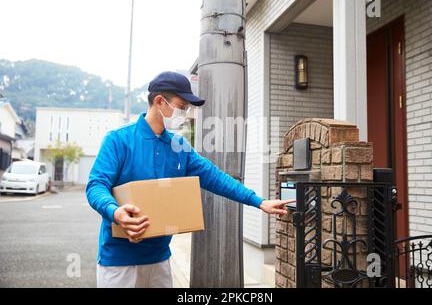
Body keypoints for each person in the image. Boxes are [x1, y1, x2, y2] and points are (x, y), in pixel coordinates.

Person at [86, 71, 293, 288]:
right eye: (182, 106)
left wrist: (259, 202)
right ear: (160, 101)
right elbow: (96, 185)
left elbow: (215, 178)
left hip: (159, 259)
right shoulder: (119, 140)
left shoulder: (179, 146)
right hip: (119, 261)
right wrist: (114, 211)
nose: (185, 113)